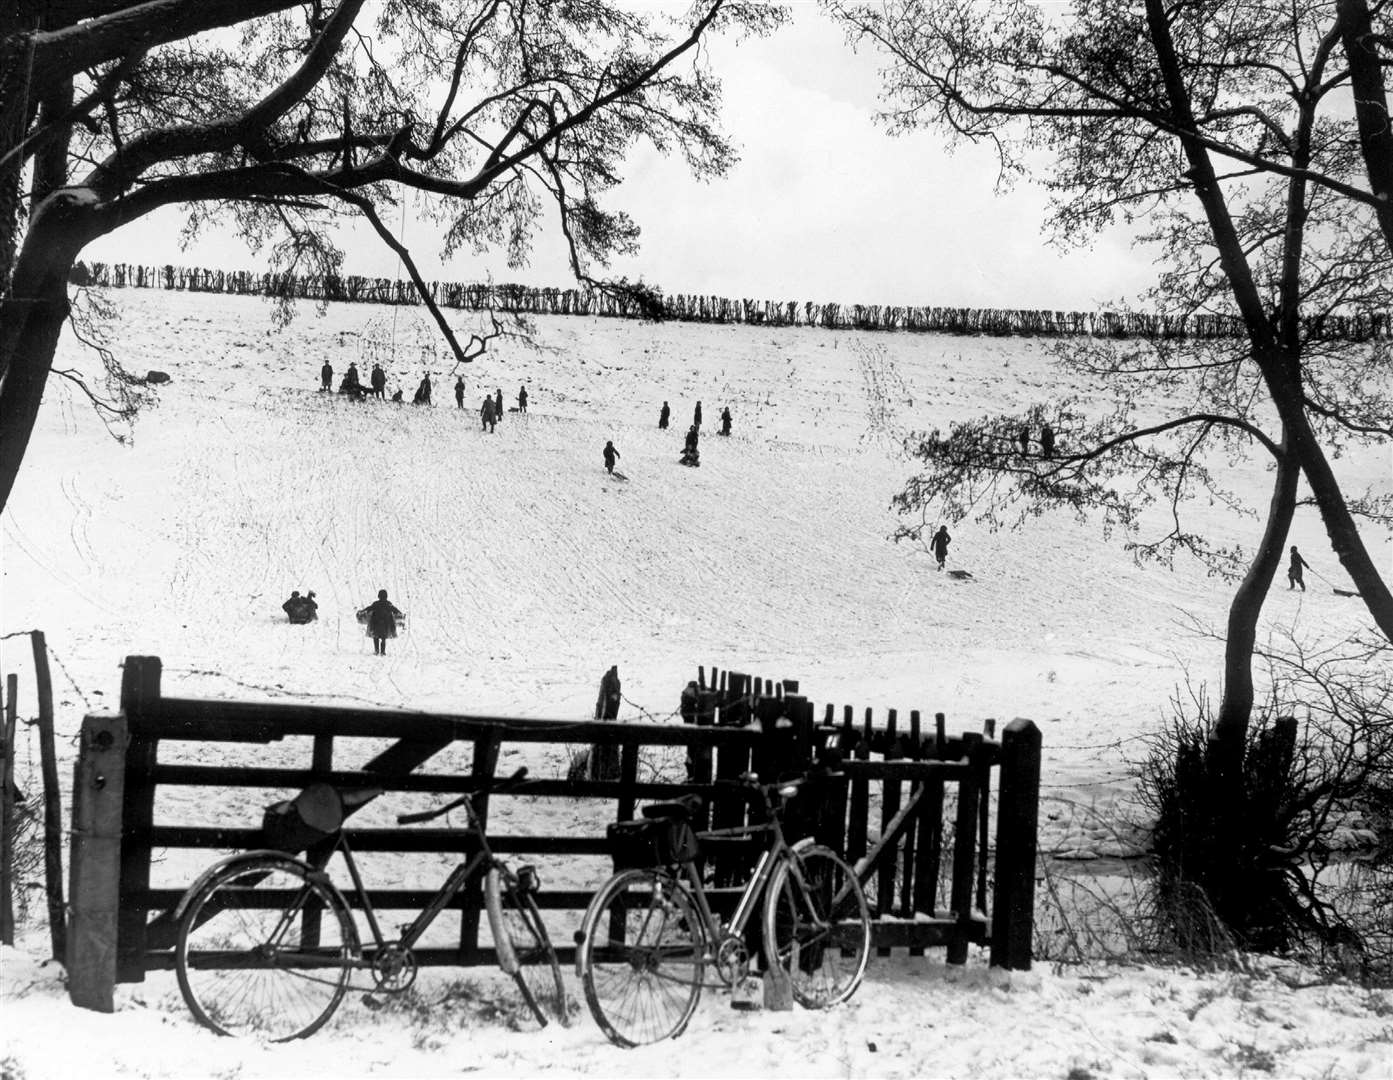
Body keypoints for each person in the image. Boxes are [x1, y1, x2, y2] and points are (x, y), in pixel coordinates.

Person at [357, 589, 404, 656]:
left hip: (376, 623)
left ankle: (376, 651)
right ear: (386, 596)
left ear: (379, 596)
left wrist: (362, 611)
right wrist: (400, 614)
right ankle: (383, 652)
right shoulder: (388, 604)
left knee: (375, 637)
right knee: (383, 638)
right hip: (385, 624)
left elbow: (369, 608)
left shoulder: (376, 604)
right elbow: (395, 610)